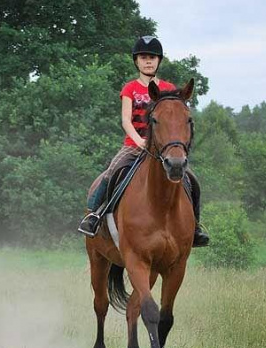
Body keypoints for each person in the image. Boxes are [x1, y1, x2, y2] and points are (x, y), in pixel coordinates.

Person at [78, 36, 209, 247]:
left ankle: (195, 227)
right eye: (144, 57)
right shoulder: (130, 88)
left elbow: (176, 118)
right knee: (111, 172)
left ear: (159, 61)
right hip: (134, 145)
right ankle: (93, 216)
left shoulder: (168, 88)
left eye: (153, 58)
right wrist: (138, 140)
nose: (148, 61)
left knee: (191, 179)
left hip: (164, 149)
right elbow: (125, 119)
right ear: (136, 61)